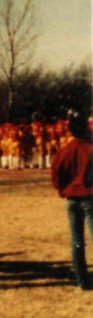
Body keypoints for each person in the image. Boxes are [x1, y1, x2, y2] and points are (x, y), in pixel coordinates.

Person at [51, 113, 93, 290]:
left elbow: (56, 174)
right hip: (89, 197)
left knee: (77, 241)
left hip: (72, 198)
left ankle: (81, 280)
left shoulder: (64, 150)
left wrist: (63, 190)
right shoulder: (90, 149)